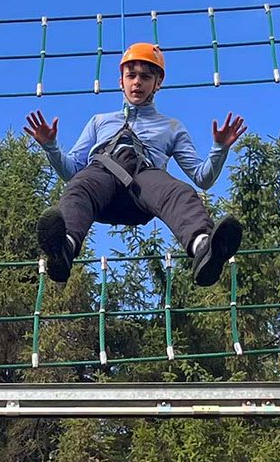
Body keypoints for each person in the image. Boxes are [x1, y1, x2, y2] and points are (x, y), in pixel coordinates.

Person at [24, 42, 246, 286]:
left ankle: (204, 247)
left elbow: (202, 177)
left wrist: (220, 149)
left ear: (157, 83)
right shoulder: (100, 122)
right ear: (121, 81)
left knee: (178, 191)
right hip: (102, 177)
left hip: (144, 183)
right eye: (131, 76)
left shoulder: (171, 127)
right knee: (79, 186)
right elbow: (71, 170)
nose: (137, 82)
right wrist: (51, 146)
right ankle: (64, 248)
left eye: (145, 76)